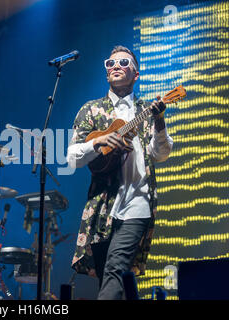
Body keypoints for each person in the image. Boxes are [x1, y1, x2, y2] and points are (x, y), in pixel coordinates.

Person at [66, 45, 173, 300]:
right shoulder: (91, 110)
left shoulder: (147, 110)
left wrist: (159, 121)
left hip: (137, 203)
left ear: (135, 74)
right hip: (102, 208)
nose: (116, 66)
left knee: (115, 269)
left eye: (124, 63)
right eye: (110, 63)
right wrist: (99, 142)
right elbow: (71, 158)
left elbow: (161, 154)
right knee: (110, 277)